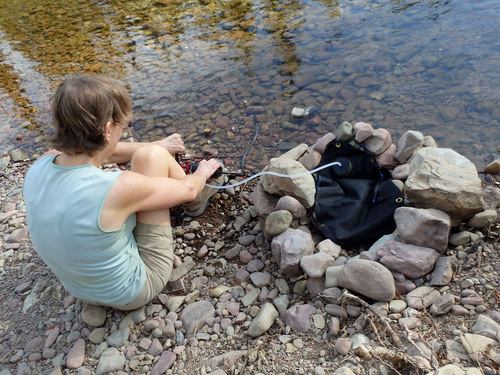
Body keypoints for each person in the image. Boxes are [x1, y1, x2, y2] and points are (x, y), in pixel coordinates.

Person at [23, 74, 223, 310]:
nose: (121, 131)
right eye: (121, 126)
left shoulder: (40, 166)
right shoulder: (115, 187)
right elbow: (187, 189)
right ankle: (199, 204)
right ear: (108, 129)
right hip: (132, 291)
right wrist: (203, 172)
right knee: (153, 159)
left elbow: (99, 150)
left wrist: (157, 144)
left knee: (151, 152)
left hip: (80, 289)